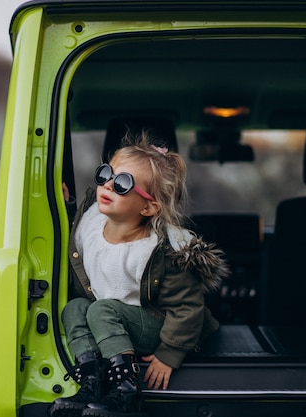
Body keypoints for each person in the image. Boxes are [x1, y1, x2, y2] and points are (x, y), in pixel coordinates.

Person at [49, 131, 229, 417]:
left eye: (122, 184)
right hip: (111, 318)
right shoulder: (91, 222)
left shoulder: (159, 252)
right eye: (106, 173)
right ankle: (92, 380)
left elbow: (188, 307)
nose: (108, 184)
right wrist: (65, 205)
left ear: (148, 207)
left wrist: (168, 355)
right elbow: (69, 233)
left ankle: (125, 389)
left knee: (100, 311)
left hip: (155, 323)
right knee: (74, 309)